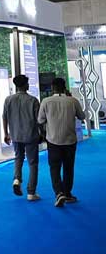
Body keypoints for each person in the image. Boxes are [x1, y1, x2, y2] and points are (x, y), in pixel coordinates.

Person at [38, 77, 85, 208]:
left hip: (53, 140)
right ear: (65, 87)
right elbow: (82, 116)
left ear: (52, 88)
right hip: (70, 140)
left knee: (54, 167)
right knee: (68, 167)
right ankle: (68, 193)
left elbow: (40, 120)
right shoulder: (73, 101)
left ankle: (59, 193)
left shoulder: (46, 101)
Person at [2, 74, 41, 201]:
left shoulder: (8, 100)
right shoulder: (33, 100)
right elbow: (39, 120)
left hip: (15, 135)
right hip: (31, 135)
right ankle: (31, 192)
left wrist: (6, 133)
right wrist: (42, 133)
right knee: (33, 163)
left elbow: (4, 117)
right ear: (25, 85)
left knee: (18, 158)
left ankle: (17, 179)